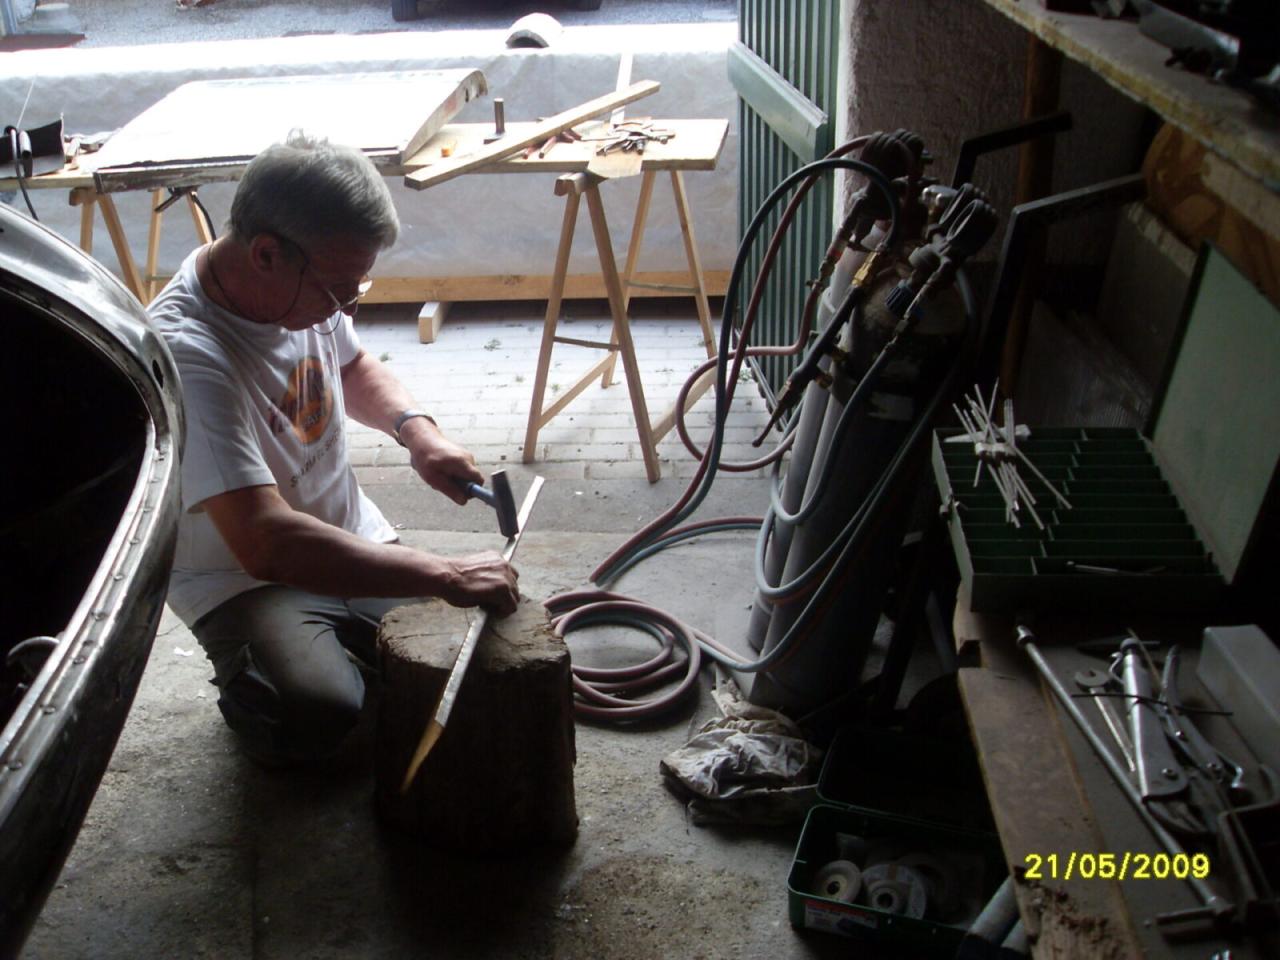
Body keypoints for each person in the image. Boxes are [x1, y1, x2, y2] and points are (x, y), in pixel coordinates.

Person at [148, 132, 518, 766]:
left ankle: (350, 640)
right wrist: (445, 572)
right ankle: (255, 682)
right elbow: (266, 543)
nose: (345, 305)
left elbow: (350, 367)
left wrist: (417, 432)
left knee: (465, 649)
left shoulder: (300, 289)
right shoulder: (187, 352)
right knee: (320, 712)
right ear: (267, 253)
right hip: (240, 578)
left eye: (357, 288)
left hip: (343, 532)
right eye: (340, 288)